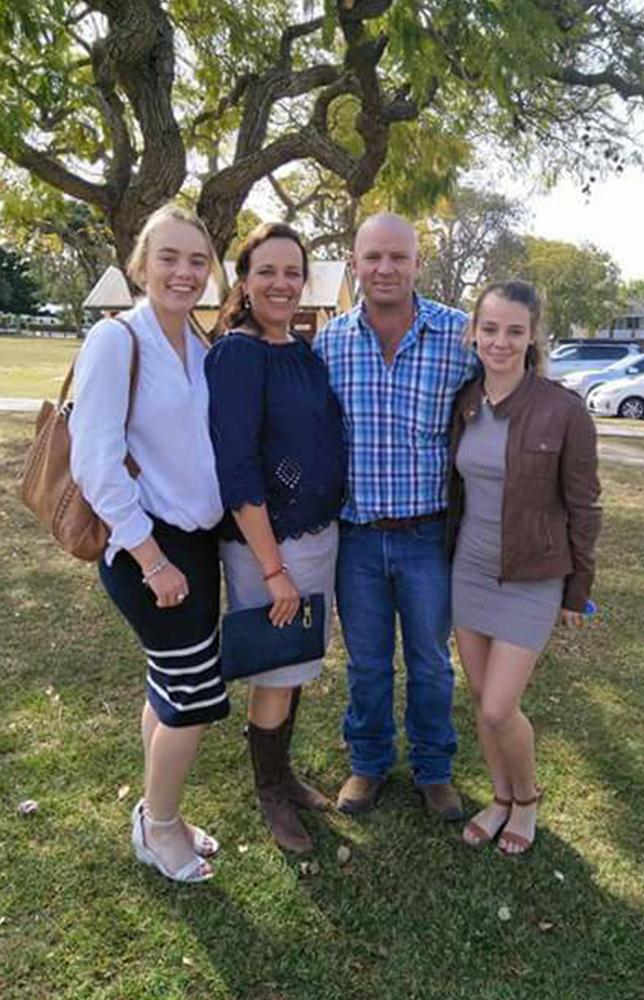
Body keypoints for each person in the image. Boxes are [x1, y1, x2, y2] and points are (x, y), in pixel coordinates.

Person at [70, 204, 228, 883]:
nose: (184, 272)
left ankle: (160, 813)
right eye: (169, 258)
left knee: (170, 684)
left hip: (197, 545)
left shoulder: (198, 343)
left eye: (197, 261)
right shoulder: (116, 340)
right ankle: (159, 828)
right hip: (147, 549)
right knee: (195, 695)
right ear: (141, 264)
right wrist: (151, 557)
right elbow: (95, 462)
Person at [313, 212, 475, 819]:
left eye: (397, 258)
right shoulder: (330, 342)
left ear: (416, 263)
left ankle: (434, 768)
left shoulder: (460, 337)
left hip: (429, 536)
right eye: (372, 257)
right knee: (368, 662)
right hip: (356, 538)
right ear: (354, 262)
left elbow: (514, 387)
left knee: (432, 662)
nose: (384, 269)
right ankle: (369, 763)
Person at [205, 222, 345, 854]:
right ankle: (268, 790)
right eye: (267, 271)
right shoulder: (237, 353)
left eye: (293, 271)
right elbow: (235, 467)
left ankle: (283, 775)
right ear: (244, 279)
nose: (282, 283)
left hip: (316, 536)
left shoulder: (302, 347)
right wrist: (271, 568)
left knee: (295, 666)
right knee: (276, 665)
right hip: (270, 543)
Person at [448, 280, 601, 854]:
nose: (501, 342)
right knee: (482, 706)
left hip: (534, 577)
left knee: (498, 705)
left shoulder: (563, 410)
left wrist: (576, 591)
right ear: (475, 333)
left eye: (514, 331)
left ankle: (528, 799)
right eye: (490, 329)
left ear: (533, 335)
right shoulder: (465, 401)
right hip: (469, 571)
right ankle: (500, 797)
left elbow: (585, 507)